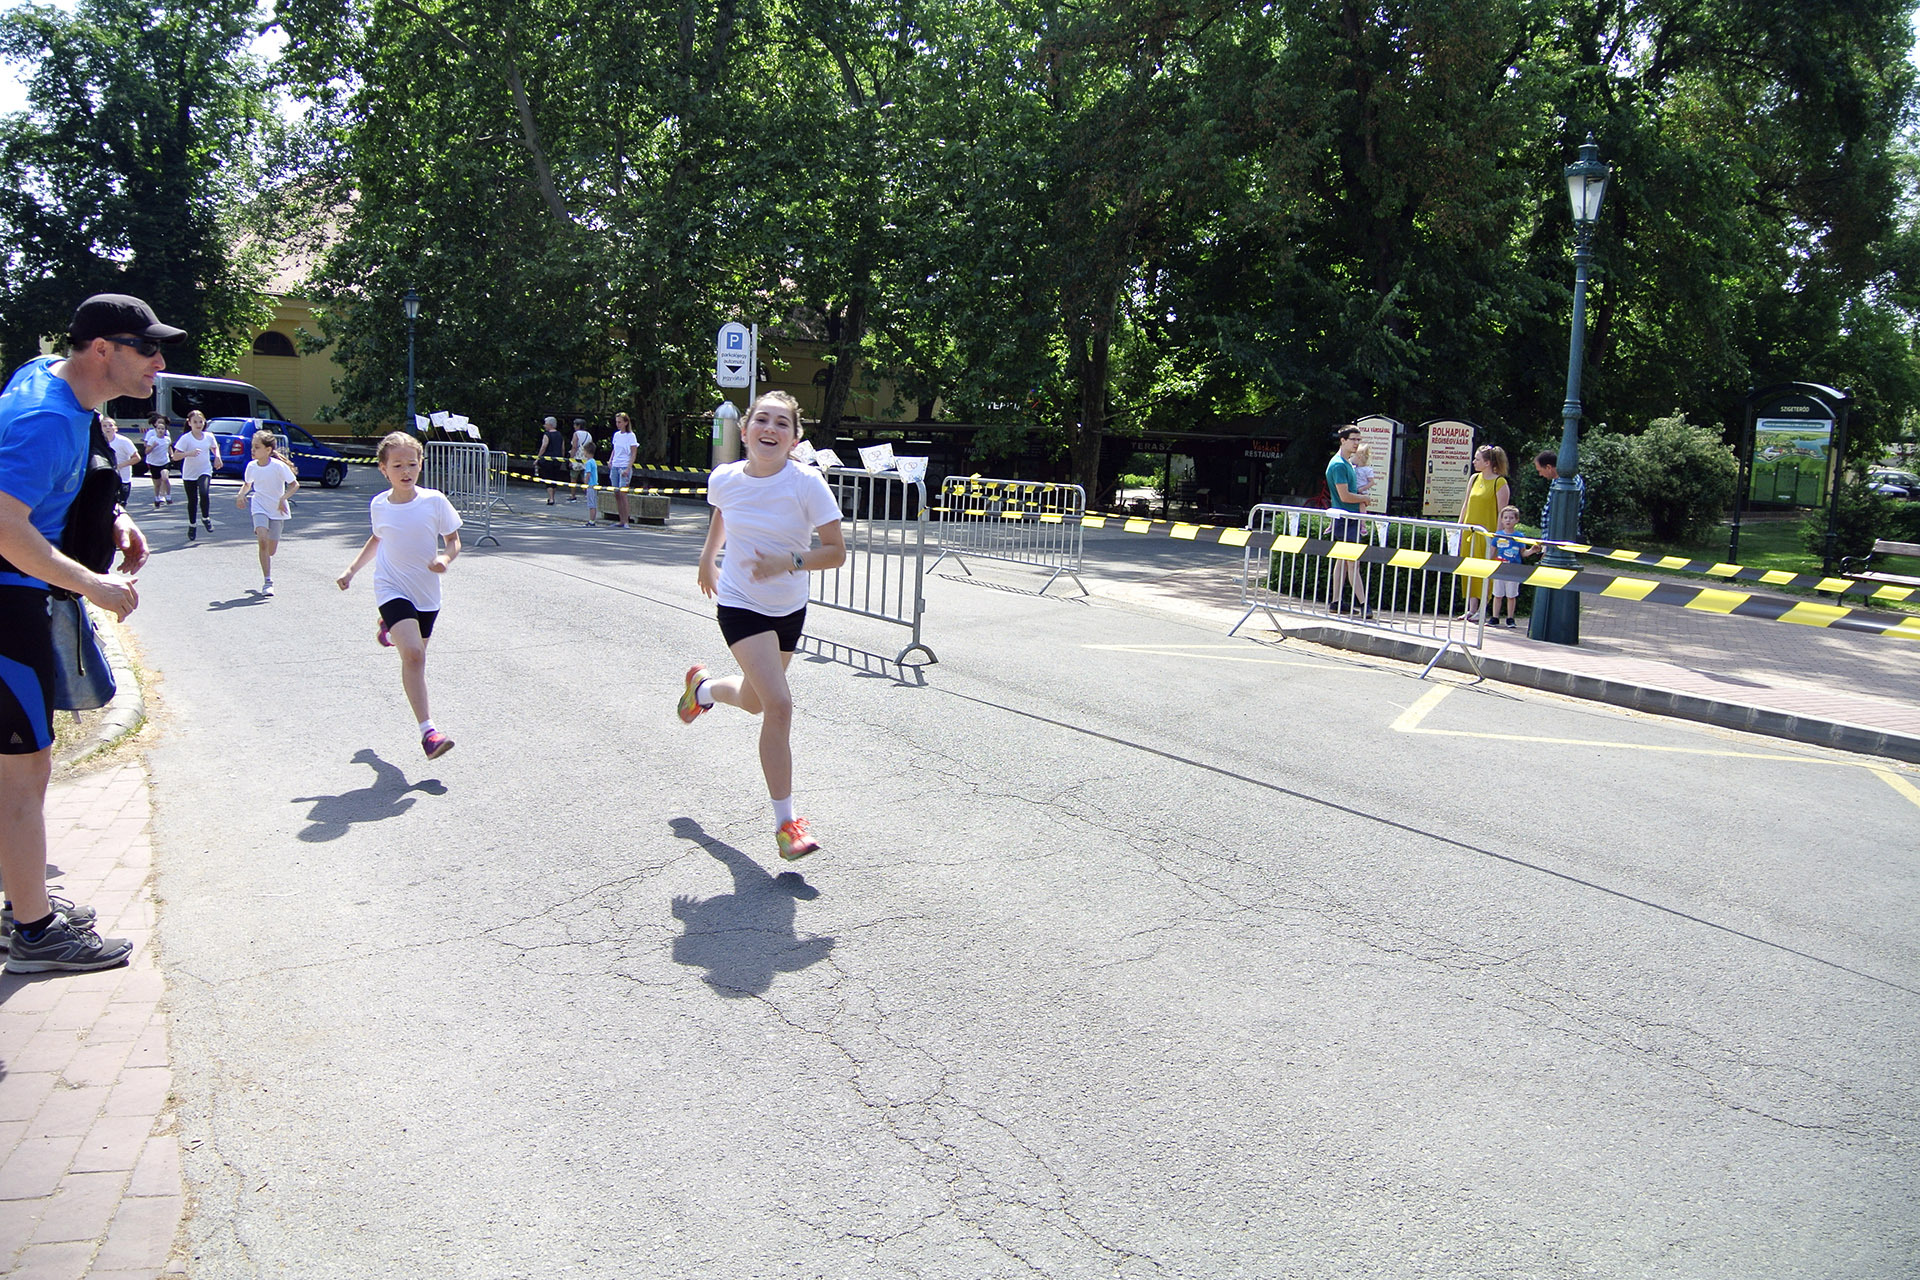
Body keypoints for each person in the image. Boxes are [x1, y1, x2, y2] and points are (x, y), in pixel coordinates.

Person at [0, 292, 177, 973]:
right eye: (148, 348)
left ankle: (22, 900)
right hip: (9, 602)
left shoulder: (51, 380)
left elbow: (51, 485)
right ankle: (35, 934)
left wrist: (113, 519)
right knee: (22, 771)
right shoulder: (45, 418)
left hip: (22, 599)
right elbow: (5, 526)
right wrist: (92, 584)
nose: (159, 362)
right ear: (103, 349)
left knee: (22, 766)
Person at [677, 390, 847, 861]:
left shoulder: (807, 484)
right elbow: (724, 512)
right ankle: (786, 825)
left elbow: (836, 552)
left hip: (788, 608)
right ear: (746, 429)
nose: (770, 429)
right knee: (780, 705)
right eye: (762, 420)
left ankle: (702, 690)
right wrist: (708, 558)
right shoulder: (724, 478)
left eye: (782, 423)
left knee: (755, 703)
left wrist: (788, 561)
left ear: (794, 438)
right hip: (740, 603)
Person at [336, 432, 463, 759]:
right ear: (383, 469)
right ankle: (429, 733)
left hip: (427, 594)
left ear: (421, 464)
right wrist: (352, 570)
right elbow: (377, 539)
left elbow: (453, 540)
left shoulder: (434, 501)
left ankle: (390, 627)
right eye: (397, 465)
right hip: (391, 586)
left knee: (416, 656)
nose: (406, 471)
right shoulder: (379, 504)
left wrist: (445, 558)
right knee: (414, 656)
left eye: (412, 464)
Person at [235, 428, 298, 596]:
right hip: (259, 505)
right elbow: (247, 484)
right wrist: (241, 495)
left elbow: (294, 484)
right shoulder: (251, 466)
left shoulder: (278, 466)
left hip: (276, 510)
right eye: (252, 447)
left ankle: (265, 545)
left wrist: (283, 498)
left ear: (268, 450)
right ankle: (268, 581)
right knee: (262, 541)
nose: (253, 450)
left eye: (257, 447)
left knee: (271, 550)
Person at [1456, 444, 1510, 621]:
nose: (1473, 462)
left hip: (1487, 534)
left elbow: (1502, 512)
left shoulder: (1499, 483)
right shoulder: (1473, 479)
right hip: (1470, 532)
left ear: (1487, 463)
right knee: (1469, 569)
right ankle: (1471, 608)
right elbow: (1466, 504)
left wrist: (1497, 538)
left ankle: (1483, 608)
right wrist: (1459, 527)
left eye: (1477, 459)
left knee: (1486, 570)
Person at [1324, 425, 1371, 618]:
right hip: (1346, 519)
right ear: (1342, 440)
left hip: (1346, 518)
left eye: (1359, 440)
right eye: (1353, 439)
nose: (1357, 443)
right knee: (1352, 563)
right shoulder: (1339, 465)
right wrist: (1364, 498)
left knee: (1343, 561)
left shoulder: (1346, 463)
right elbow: (1344, 496)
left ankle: (1336, 601)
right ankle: (1364, 604)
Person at [173, 408, 220, 540]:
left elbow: (214, 447)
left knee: (204, 493)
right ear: (189, 423)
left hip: (205, 470)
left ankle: (205, 517)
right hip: (189, 473)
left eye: (201, 421)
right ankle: (192, 525)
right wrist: (189, 453)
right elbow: (175, 456)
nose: (198, 424)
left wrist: (217, 457)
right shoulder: (186, 438)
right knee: (192, 500)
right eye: (195, 422)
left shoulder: (209, 436)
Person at [1486, 505, 1525, 629]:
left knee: (1511, 595)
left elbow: (1523, 553)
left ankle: (1510, 618)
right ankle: (1495, 617)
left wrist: (1533, 550)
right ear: (1502, 520)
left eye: (1511, 518)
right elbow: (1492, 552)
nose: (1508, 520)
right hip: (1500, 568)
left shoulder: (1520, 536)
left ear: (1516, 520)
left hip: (1513, 570)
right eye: (1506, 518)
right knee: (1497, 594)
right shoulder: (1497, 535)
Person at [1534, 449, 1588, 536]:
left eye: (1540, 471)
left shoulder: (1571, 482)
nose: (1540, 474)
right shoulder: (1557, 480)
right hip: (1552, 532)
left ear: (1548, 467)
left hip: (1561, 533)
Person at [608, 411, 639, 528]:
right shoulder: (616, 435)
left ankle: (626, 520)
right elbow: (614, 449)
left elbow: (633, 453)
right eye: (617, 422)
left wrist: (628, 468)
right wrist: (610, 460)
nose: (618, 424)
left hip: (624, 466)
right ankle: (621, 519)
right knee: (616, 493)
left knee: (623, 493)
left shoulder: (631, 436)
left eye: (620, 422)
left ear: (626, 423)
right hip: (615, 466)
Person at [103, 417, 138, 507]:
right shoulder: (98, 442)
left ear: (116, 428)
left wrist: (119, 466)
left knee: (120, 505)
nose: (107, 428)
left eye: (110, 425)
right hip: (105, 478)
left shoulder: (124, 441)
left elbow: (136, 458)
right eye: (104, 426)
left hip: (123, 478)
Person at [142, 412, 173, 507]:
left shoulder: (167, 437)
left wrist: (172, 455)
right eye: (159, 427)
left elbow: (169, 446)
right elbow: (146, 449)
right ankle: (157, 497)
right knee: (157, 483)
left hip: (164, 461)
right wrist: (153, 446)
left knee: (165, 477)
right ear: (155, 426)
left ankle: (167, 496)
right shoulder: (151, 436)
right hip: (153, 461)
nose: (160, 430)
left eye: (162, 427)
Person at [534, 415, 566, 504]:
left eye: (545, 424)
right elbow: (563, 447)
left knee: (548, 478)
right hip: (557, 460)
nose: (544, 425)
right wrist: (562, 458)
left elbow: (544, 446)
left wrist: (538, 458)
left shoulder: (547, 435)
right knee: (554, 478)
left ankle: (551, 498)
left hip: (548, 460)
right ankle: (552, 496)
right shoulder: (560, 435)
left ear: (550, 425)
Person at [568, 417, 593, 507]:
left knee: (573, 477)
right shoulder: (589, 435)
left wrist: (571, 459)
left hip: (577, 458)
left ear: (578, 426)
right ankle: (589, 496)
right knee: (585, 478)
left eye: (575, 425)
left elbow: (574, 447)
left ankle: (573, 496)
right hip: (586, 458)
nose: (574, 426)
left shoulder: (576, 434)